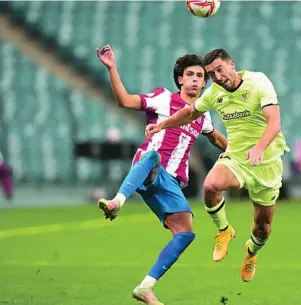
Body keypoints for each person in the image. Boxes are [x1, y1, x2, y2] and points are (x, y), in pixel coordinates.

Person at [96, 45, 228, 305]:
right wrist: (112, 68)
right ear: (180, 79)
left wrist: (247, 155)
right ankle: (117, 202)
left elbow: (219, 141)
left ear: (204, 82)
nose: (195, 79)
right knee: (154, 157)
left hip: (171, 183)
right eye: (190, 74)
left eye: (200, 76)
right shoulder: (162, 98)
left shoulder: (202, 115)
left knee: (186, 233)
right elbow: (125, 100)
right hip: (149, 168)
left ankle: (146, 287)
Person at [145, 48, 290, 282]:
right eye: (211, 74)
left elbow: (274, 122)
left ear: (232, 64)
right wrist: (163, 125)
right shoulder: (214, 93)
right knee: (210, 186)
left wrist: (260, 147)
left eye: (220, 70)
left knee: (262, 228)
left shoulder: (258, 82)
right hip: (237, 159)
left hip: (267, 162)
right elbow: (190, 112)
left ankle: (251, 253)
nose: (218, 77)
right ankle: (224, 230)